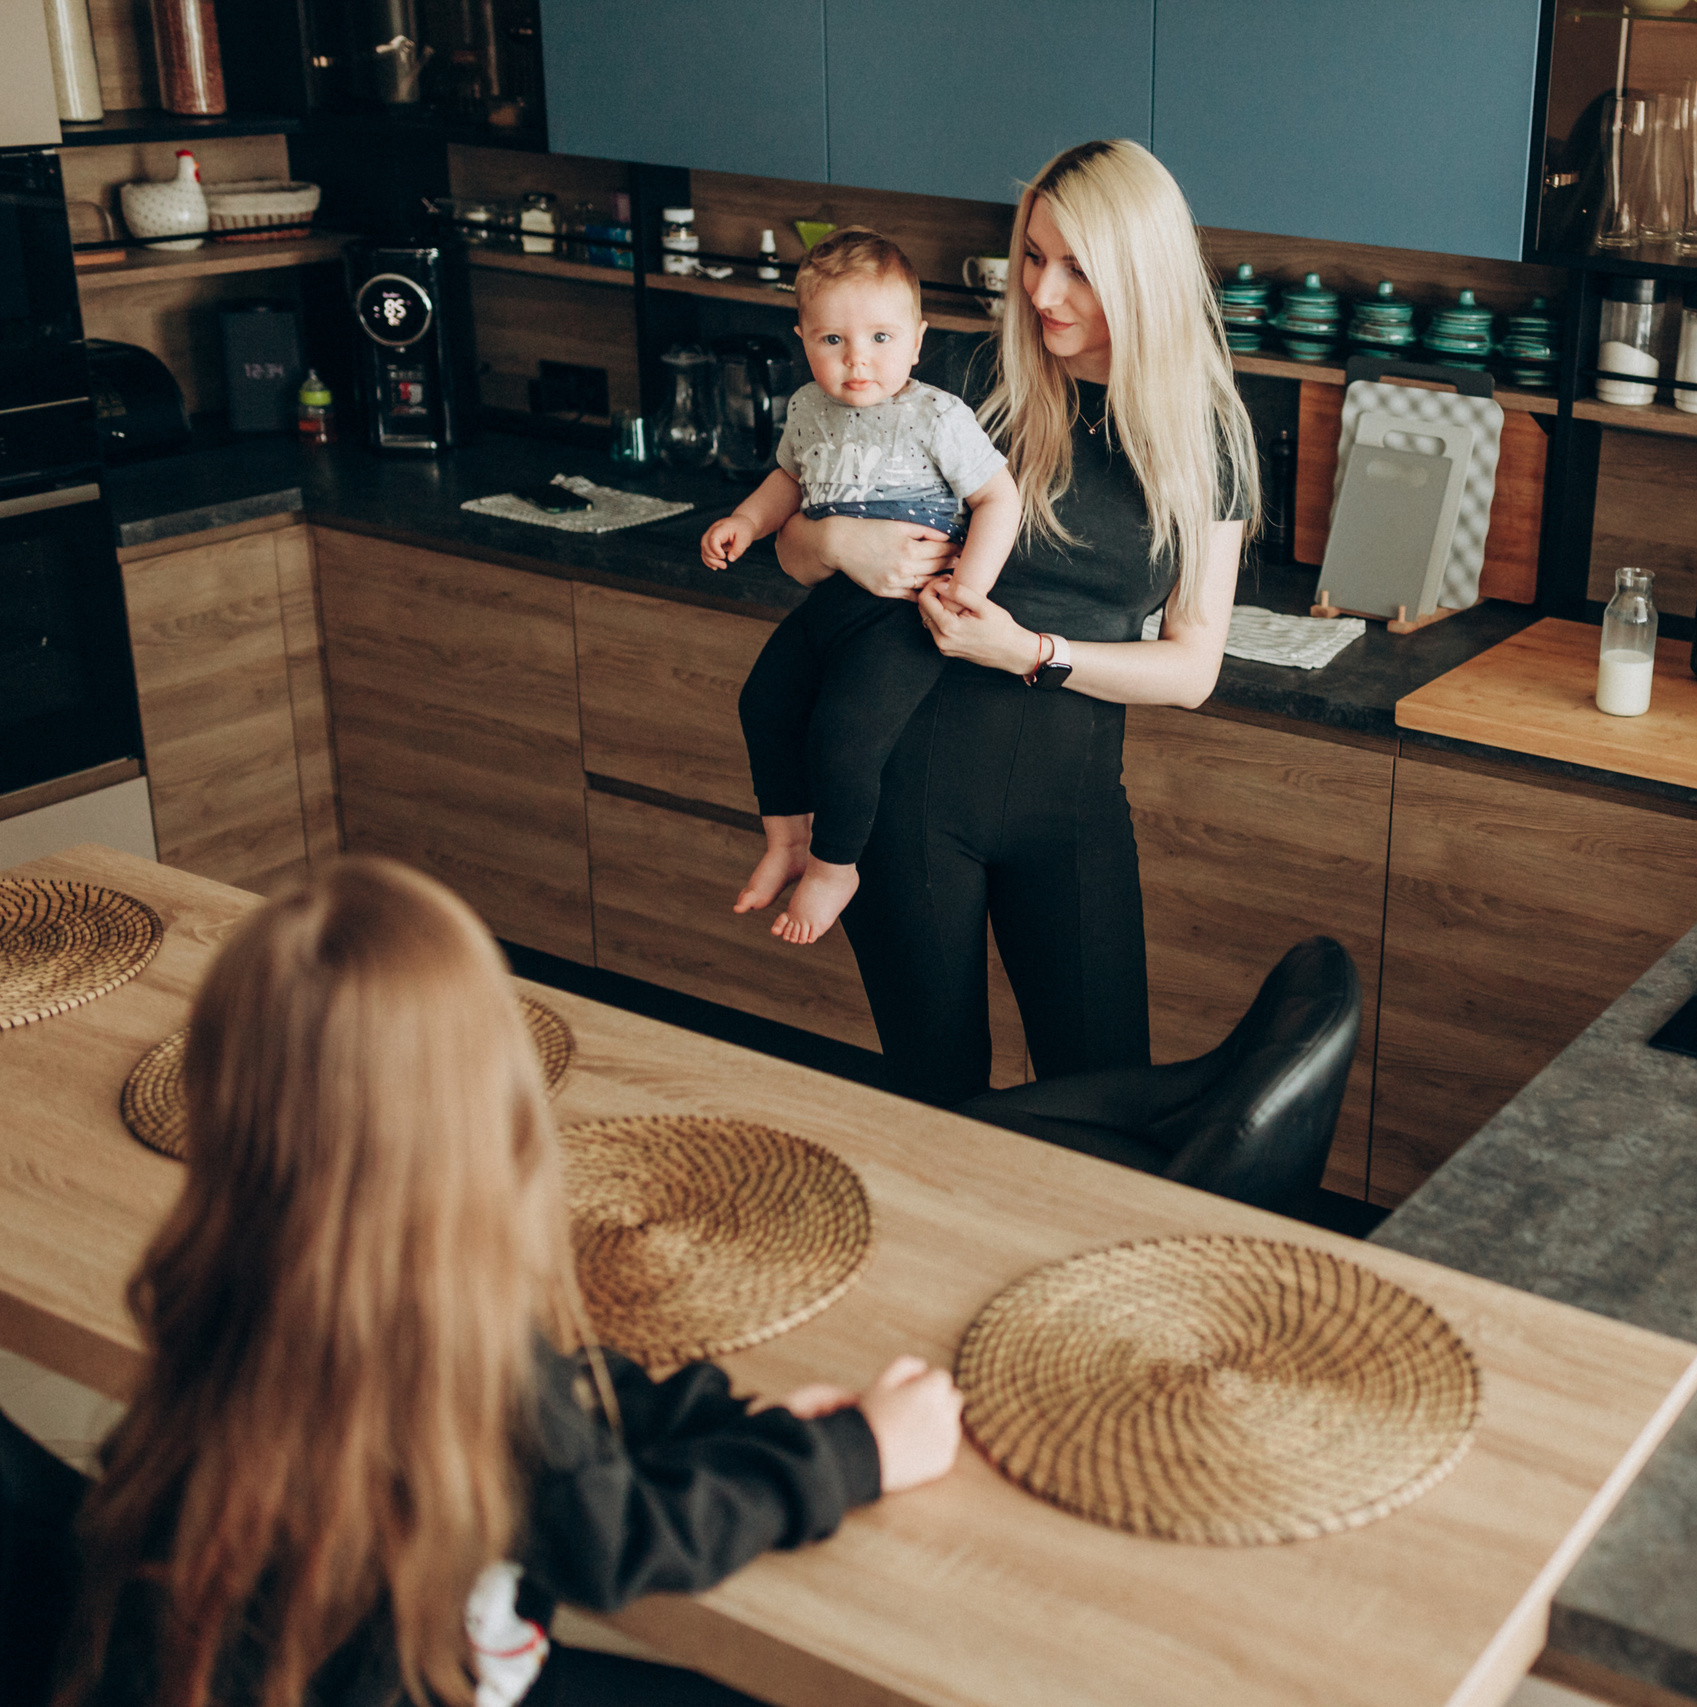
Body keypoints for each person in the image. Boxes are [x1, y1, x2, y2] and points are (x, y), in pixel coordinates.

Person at [49, 858, 964, 1707]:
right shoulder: (457, 1362)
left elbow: (564, 1409)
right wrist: (854, 1452)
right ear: (494, 1123)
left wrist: (717, 1417)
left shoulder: (231, 1295)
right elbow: (623, 1538)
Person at [773, 139, 1259, 1110]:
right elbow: (788, 541)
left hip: (1072, 808)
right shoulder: (954, 380)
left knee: (1103, 1092)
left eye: (1077, 267)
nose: (1042, 291)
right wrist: (840, 548)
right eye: (1033, 256)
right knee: (934, 1092)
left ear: (1143, 273)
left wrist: (1035, 654)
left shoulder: (1203, 437)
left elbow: (1192, 666)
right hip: (907, 791)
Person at [702, 228, 1024, 947]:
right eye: (832, 340)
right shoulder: (809, 410)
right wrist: (745, 524)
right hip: (836, 599)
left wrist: (965, 592)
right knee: (764, 699)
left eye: (881, 337)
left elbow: (1001, 500)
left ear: (917, 339)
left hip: (907, 615)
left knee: (844, 733)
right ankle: (786, 840)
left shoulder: (938, 415)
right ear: (802, 340)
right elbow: (787, 482)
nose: (857, 361)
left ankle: (834, 864)